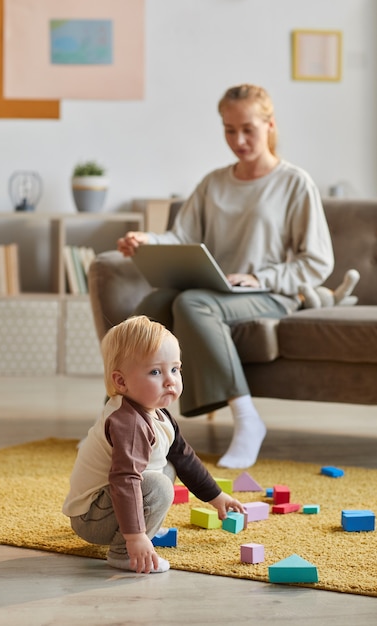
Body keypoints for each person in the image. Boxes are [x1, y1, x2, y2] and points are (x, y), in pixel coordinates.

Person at [117, 83, 334, 470]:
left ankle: (248, 420)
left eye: (248, 129)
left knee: (191, 303)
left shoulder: (294, 182)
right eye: (229, 130)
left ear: (269, 124)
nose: (239, 140)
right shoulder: (213, 183)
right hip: (218, 291)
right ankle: (124, 420)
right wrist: (147, 239)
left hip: (272, 292)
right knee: (151, 307)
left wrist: (260, 276)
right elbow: (182, 237)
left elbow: (316, 262)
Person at [63, 315, 244, 575]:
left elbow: (185, 457)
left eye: (175, 369)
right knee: (158, 485)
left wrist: (216, 496)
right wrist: (135, 536)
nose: (170, 380)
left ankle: (139, 527)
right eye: (155, 372)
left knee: (170, 465)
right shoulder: (129, 423)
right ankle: (125, 552)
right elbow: (125, 479)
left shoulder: (155, 412)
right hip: (91, 518)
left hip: (108, 503)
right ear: (121, 382)